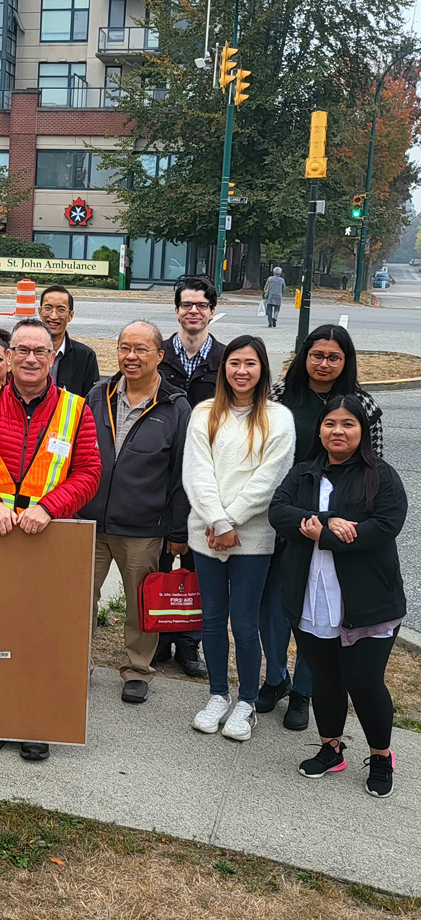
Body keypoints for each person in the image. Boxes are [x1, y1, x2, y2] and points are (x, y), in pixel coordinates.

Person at [0, 317, 101, 761]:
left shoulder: (77, 409)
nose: (31, 358)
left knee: (42, 635)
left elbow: (90, 473)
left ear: (53, 357)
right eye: (23, 351)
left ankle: (37, 720)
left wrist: (49, 507)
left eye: (41, 351)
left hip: (46, 537)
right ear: (9, 356)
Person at [268, 396, 407, 798]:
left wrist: (320, 534)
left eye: (348, 424)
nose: (337, 431)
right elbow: (279, 510)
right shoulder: (305, 473)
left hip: (366, 601)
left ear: (362, 431)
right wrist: (328, 523)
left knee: (363, 682)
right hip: (311, 595)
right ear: (320, 430)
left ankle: (381, 755)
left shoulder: (381, 476)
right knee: (326, 680)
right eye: (330, 423)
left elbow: (384, 526)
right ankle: (332, 748)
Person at [258, 324, 385, 731]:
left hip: (334, 530)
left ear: (346, 362)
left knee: (322, 615)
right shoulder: (278, 395)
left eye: (334, 357)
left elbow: (372, 474)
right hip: (282, 518)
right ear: (303, 356)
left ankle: (304, 691)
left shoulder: (363, 405)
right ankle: (275, 678)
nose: (324, 363)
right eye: (317, 354)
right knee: (276, 606)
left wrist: (336, 527)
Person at [183, 335, 295, 742]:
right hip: (207, 535)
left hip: (252, 537)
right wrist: (216, 521)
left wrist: (231, 522)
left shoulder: (279, 418)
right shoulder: (205, 413)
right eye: (234, 363)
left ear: (262, 368)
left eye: (250, 363)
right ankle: (218, 693)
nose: (241, 371)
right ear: (224, 368)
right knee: (212, 620)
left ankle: (246, 700)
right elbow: (197, 472)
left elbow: (270, 479)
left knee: (245, 623)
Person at [81, 321, 191, 704]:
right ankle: (78, 663)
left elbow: (181, 474)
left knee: (139, 602)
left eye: (142, 349)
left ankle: (137, 669)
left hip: (143, 526)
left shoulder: (176, 408)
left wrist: (178, 531)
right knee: (78, 599)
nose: (131, 356)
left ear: (160, 356)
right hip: (89, 522)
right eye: (125, 347)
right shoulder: (98, 394)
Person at [155, 275, 225, 676]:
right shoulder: (158, 354)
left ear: (212, 311)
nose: (193, 311)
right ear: (177, 309)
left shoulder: (227, 358)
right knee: (161, 561)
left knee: (201, 567)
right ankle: (160, 637)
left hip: (210, 475)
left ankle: (190, 643)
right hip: (164, 473)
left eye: (201, 305)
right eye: (187, 305)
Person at [38, 283, 100, 397]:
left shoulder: (85, 357)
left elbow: (91, 401)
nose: (53, 316)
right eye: (48, 308)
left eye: (61, 310)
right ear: (40, 312)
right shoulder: (23, 352)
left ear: (70, 315)